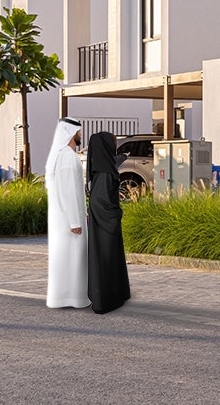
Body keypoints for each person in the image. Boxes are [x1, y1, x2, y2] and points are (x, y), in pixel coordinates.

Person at [44, 118, 88, 309]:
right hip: (69, 220)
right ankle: (74, 298)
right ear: (71, 133)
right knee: (74, 260)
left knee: (65, 260)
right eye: (78, 132)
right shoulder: (68, 157)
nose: (80, 135)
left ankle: (64, 297)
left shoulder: (62, 155)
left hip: (62, 218)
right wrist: (75, 222)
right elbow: (69, 191)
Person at [86, 132, 132, 314]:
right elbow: (99, 201)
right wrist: (115, 214)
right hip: (106, 227)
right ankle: (105, 300)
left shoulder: (101, 168)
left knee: (107, 261)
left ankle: (112, 296)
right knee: (106, 260)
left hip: (102, 225)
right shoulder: (105, 173)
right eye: (113, 143)